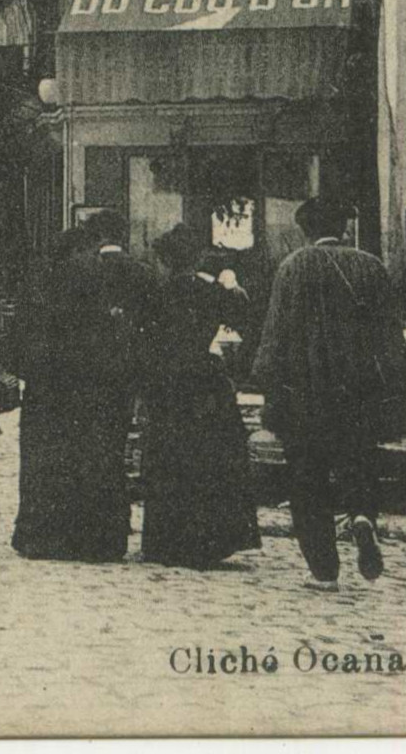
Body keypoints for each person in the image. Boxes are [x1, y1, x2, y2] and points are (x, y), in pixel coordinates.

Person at [253, 199, 406, 588]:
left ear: (304, 230)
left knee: (308, 479)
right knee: (357, 461)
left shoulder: (293, 268)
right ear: (343, 227)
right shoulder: (371, 266)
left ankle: (323, 571)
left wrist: (267, 382)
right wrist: (391, 389)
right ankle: (361, 517)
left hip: (305, 395)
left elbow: (276, 334)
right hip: (359, 394)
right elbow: (392, 337)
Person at [12, 214, 151, 562]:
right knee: (97, 459)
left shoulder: (41, 282)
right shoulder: (97, 277)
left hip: (49, 387)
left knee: (48, 462)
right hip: (96, 385)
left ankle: (44, 536)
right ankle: (100, 540)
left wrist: (29, 371)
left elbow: (19, 340)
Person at [134, 226, 260, 570]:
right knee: (208, 456)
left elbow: (145, 342)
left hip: (168, 383)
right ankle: (207, 538)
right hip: (204, 382)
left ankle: (166, 540)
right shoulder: (211, 292)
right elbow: (242, 317)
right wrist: (232, 286)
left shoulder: (157, 293)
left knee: (169, 455)